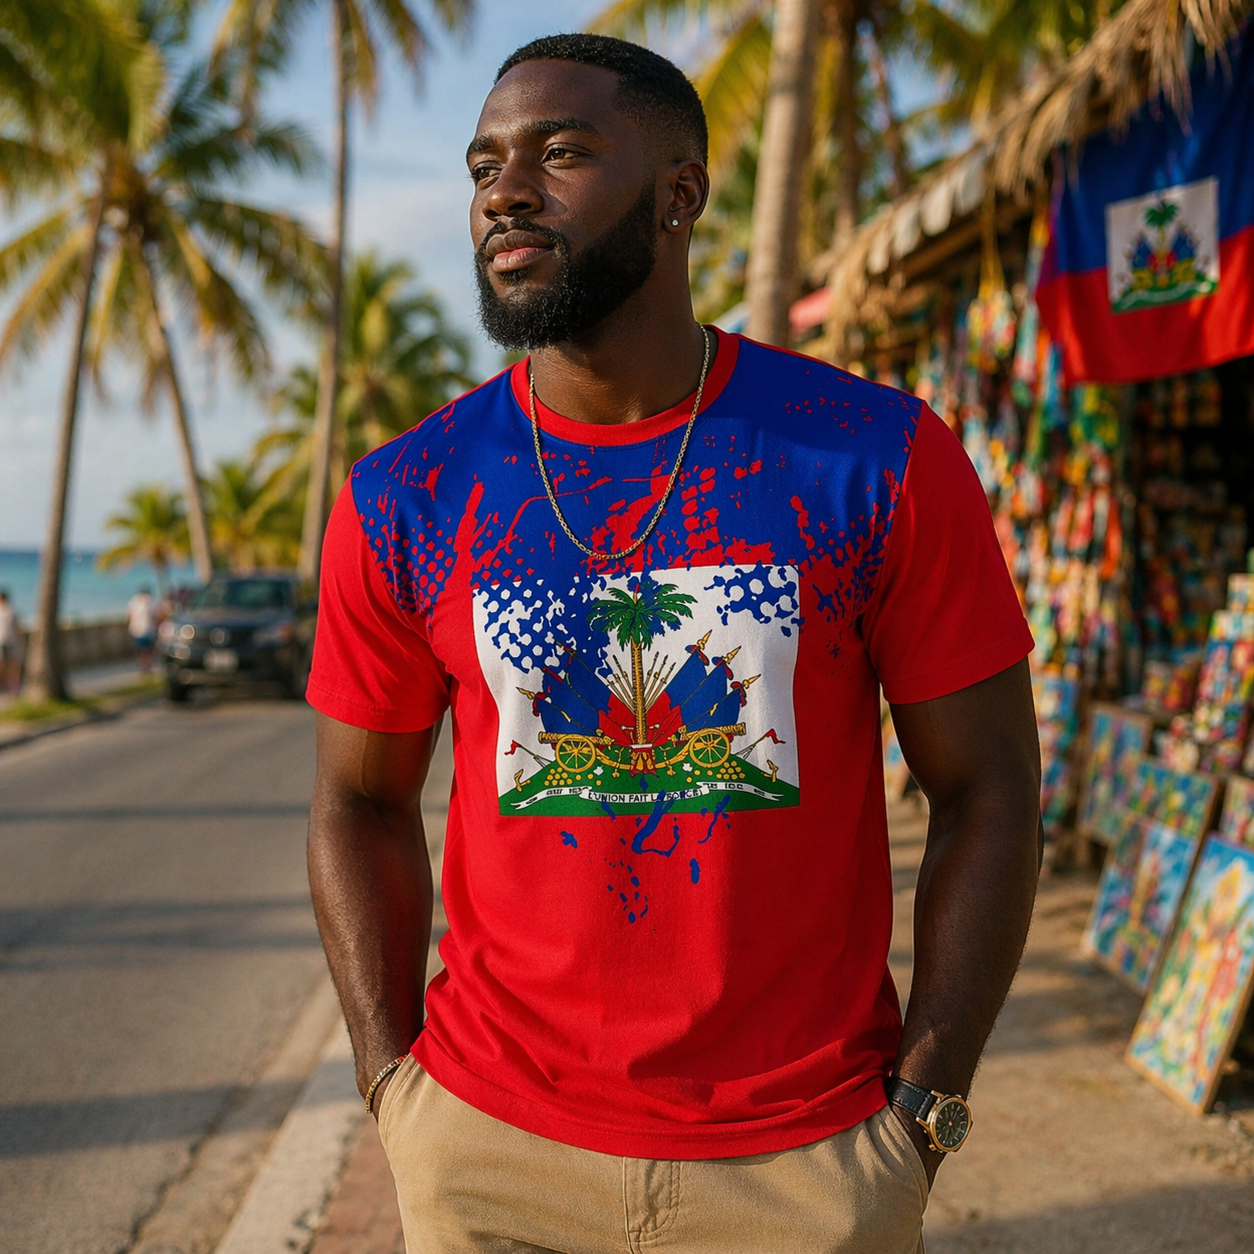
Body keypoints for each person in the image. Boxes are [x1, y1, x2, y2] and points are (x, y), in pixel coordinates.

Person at [307, 33, 1042, 1254]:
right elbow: (354, 802)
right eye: (483, 163)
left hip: (806, 1167)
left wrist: (921, 1110)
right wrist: (397, 1090)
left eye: (562, 152)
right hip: (490, 1157)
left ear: (680, 195)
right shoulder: (409, 496)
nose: (504, 188)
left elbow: (992, 790)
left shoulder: (872, 457)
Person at [127, 586, 157, 675]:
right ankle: (146, 668)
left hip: (138, 629)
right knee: (145, 650)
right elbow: (152, 615)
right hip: (144, 629)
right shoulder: (147, 601)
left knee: (142, 650)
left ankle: (144, 668)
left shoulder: (134, 601)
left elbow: (129, 615)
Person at [0, 589, 20, 695]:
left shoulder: (10, 611)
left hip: (8, 641)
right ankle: (8, 687)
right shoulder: (10, 610)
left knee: (10, 665)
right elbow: (18, 627)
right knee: (5, 665)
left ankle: (12, 687)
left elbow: (16, 626)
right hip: (5, 641)